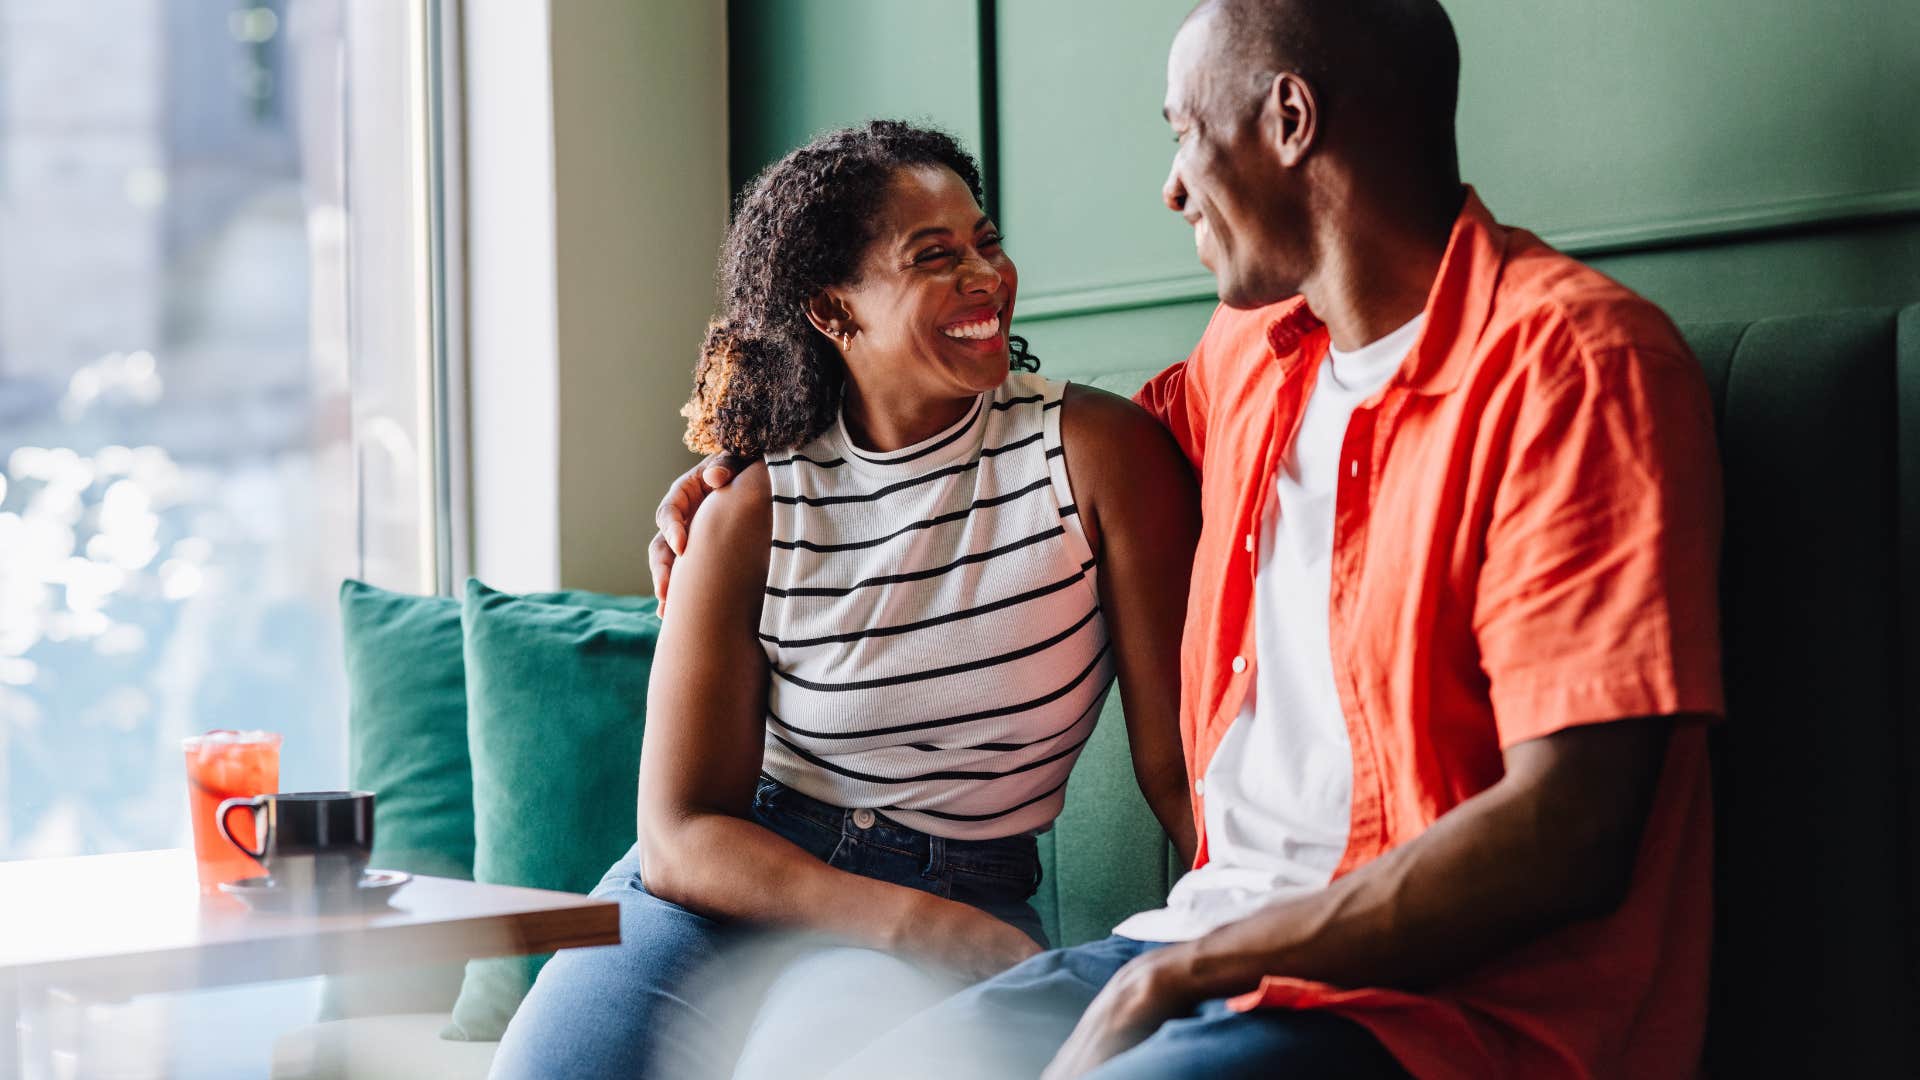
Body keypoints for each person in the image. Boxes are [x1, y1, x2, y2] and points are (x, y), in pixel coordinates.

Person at [652, 1, 1726, 1076]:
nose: (1171, 186)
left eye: (1185, 134)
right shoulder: (1253, 358)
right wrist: (738, 480)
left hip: (1431, 1005)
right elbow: (1059, 458)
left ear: (1290, 118)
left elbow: (1569, 834)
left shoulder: (1575, 370)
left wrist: (1190, 974)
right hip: (1187, 951)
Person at [490, 121, 1199, 1080]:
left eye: (986, 241)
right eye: (935, 258)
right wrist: (914, 921)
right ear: (833, 311)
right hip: (734, 886)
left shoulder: (1095, 456)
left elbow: (1179, 766)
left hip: (963, 887)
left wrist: (1255, 939)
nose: (985, 276)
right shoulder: (750, 506)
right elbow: (679, 836)